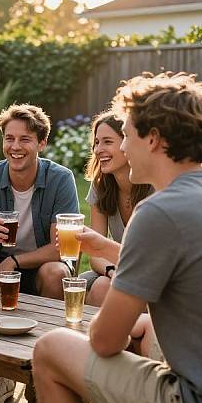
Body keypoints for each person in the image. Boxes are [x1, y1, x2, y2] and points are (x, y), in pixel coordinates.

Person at [32, 72, 202, 403]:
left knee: (51, 349)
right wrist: (106, 249)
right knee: (145, 329)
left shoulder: (158, 211)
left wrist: (101, 325)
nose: (122, 149)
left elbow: (105, 341)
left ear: (153, 139)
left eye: (128, 135)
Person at [0, 103, 79, 403]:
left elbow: (63, 248)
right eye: (9, 138)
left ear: (41, 143)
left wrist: (17, 262)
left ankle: (47, 371)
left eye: (25, 139)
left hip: (39, 266)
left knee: (55, 273)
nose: (15, 147)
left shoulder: (60, 178)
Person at [82, 111, 152, 306]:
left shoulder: (154, 186)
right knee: (99, 285)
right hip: (116, 266)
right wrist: (113, 271)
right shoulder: (101, 185)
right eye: (96, 142)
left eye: (107, 142)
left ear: (127, 144)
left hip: (149, 271)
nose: (98, 149)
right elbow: (96, 253)